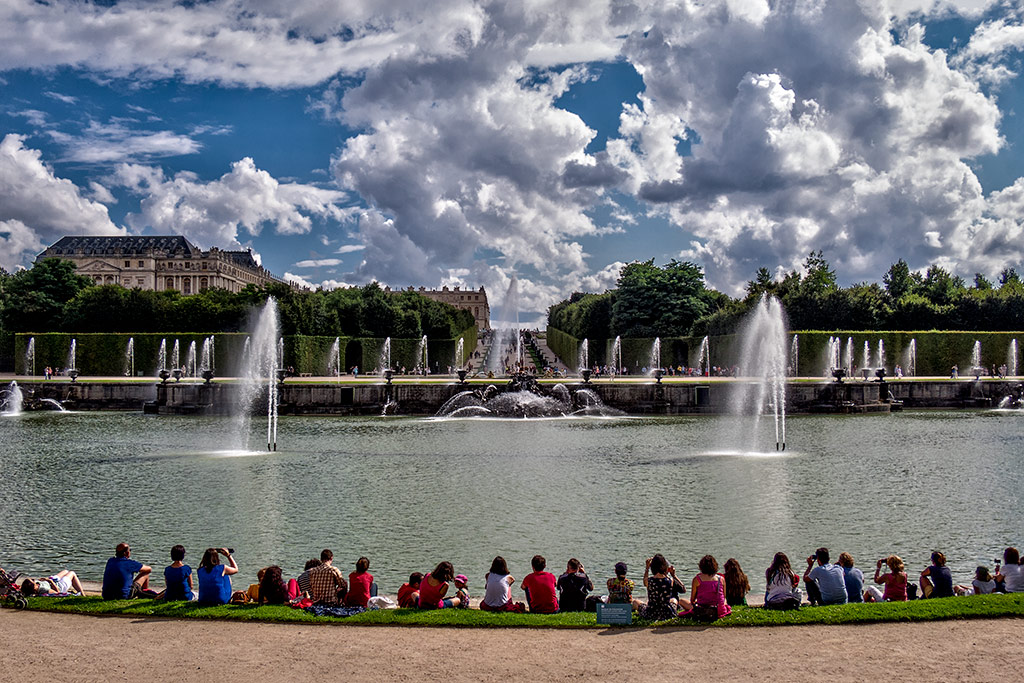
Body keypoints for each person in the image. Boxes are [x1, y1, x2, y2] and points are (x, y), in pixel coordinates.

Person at [679, 555, 731, 620]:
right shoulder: (721, 579)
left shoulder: (697, 579)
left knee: (681, 601)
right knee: (724, 601)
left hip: (702, 609)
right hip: (719, 610)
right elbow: (724, 596)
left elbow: (692, 599)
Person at [638, 554, 684, 620]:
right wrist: (673, 575)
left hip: (651, 612)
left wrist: (647, 568)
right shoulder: (670, 580)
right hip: (667, 612)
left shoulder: (649, 581)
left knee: (636, 602)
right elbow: (682, 588)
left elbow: (645, 582)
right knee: (674, 600)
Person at [20, 569, 85, 597]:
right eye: (32, 580)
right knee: (72, 573)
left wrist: (46, 580)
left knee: (65, 571)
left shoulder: (36, 585)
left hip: (52, 581)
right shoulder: (43, 589)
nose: (34, 580)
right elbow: (58, 592)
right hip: (59, 586)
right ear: (34, 586)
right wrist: (50, 582)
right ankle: (82, 594)